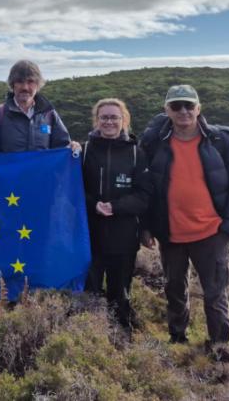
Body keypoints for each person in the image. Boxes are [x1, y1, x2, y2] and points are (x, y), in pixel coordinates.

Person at [138, 84, 229, 360]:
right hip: (170, 233)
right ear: (167, 110)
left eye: (189, 105)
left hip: (212, 231)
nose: (183, 111)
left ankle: (219, 348)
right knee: (174, 289)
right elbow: (145, 187)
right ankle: (178, 338)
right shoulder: (155, 143)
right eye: (176, 106)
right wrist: (145, 226)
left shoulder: (221, 140)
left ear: (199, 108)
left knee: (215, 294)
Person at [82, 98, 149, 329]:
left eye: (114, 117)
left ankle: (121, 340)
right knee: (88, 294)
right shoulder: (84, 151)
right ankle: (88, 338)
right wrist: (94, 205)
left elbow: (144, 195)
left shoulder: (136, 153)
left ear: (124, 120)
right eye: (104, 117)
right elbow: (73, 191)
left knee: (120, 295)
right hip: (89, 237)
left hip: (124, 238)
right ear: (96, 120)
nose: (109, 121)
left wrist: (116, 207)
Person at [0, 59, 80, 153]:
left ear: (38, 84)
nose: (25, 87)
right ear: (13, 84)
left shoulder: (49, 115)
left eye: (30, 81)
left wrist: (72, 148)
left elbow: (62, 150)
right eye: (20, 81)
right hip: (8, 173)